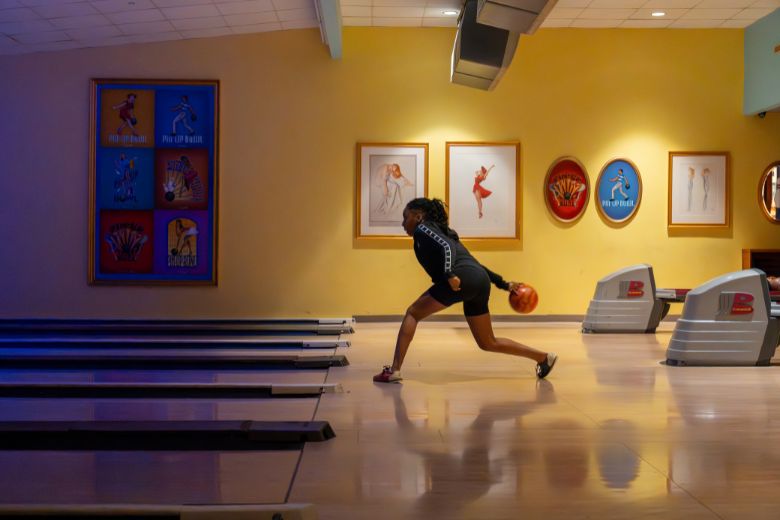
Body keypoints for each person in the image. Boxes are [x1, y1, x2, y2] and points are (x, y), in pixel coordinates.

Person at [373, 197, 557, 383]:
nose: (403, 223)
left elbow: (446, 248)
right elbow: (475, 265)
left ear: (418, 216)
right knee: (488, 342)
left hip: (461, 278)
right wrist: (503, 284)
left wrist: (449, 274)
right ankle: (543, 358)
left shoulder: (423, 229)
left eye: (406, 217)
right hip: (479, 281)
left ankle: (394, 370)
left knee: (413, 313)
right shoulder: (444, 232)